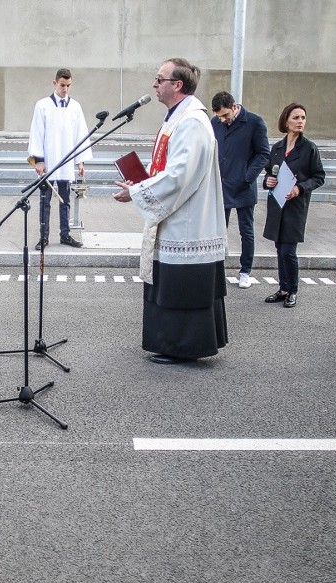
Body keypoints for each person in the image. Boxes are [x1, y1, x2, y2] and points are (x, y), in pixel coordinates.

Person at [112, 57, 227, 364]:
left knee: (181, 287)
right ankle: (172, 343)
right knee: (171, 284)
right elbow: (165, 167)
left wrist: (137, 191)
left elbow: (179, 176)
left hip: (187, 224)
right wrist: (141, 182)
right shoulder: (177, 118)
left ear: (177, 85)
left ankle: (182, 347)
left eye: (159, 79)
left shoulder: (191, 122)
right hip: (176, 216)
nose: (154, 84)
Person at [261, 103, 325, 308]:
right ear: (286, 121)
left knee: (289, 249)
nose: (300, 122)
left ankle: (293, 290)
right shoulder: (278, 148)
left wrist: (300, 188)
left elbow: (319, 177)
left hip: (295, 205)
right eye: (296, 118)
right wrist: (268, 181)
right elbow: (270, 173)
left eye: (303, 118)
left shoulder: (309, 148)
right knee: (280, 248)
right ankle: (283, 288)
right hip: (278, 203)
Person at [210, 91, 270, 289]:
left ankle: (245, 271)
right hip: (222, 185)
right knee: (219, 231)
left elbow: (263, 154)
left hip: (243, 186)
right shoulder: (215, 122)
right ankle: (217, 269)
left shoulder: (254, 122)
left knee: (246, 231)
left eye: (225, 115)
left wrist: (247, 177)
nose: (223, 120)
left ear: (234, 107)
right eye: (219, 116)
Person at [28, 68, 91, 250]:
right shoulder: (43, 105)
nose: (65, 89)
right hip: (48, 161)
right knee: (45, 201)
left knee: (65, 200)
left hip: (66, 161)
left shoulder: (75, 107)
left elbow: (80, 135)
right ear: (55, 83)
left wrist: (80, 161)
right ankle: (44, 236)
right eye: (62, 85)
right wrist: (39, 160)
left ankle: (65, 234)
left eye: (69, 86)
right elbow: (37, 132)